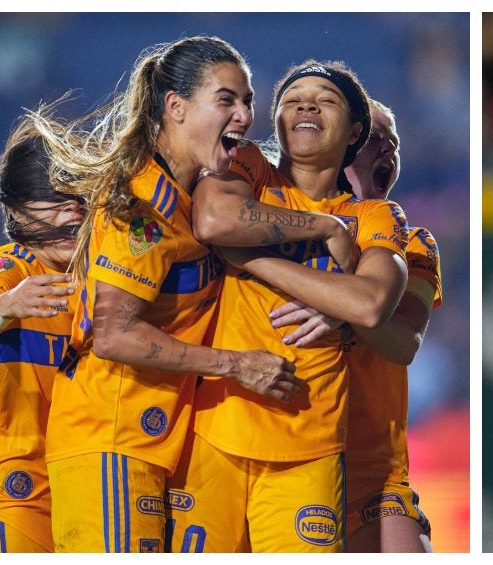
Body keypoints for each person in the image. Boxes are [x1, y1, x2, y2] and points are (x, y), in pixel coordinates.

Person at [29, 36, 306, 552]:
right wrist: (237, 365)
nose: (244, 115)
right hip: (110, 435)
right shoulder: (143, 208)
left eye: (247, 101)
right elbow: (113, 334)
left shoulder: (183, 195)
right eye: (226, 100)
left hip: (153, 440)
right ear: (175, 107)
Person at [166, 61, 409, 552]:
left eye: (326, 99)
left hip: (310, 445)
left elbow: (370, 305)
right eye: (292, 98)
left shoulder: (374, 216)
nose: (306, 105)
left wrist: (250, 257)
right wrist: (324, 234)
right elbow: (214, 219)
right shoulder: (252, 167)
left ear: (355, 130)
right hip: (217, 427)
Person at [273, 99, 441, 552]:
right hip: (282, 452)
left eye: (395, 142)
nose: (387, 147)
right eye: (374, 136)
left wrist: (344, 305)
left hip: (375, 470)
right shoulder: (276, 222)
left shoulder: (414, 243)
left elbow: (404, 342)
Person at [0, 113, 83, 553]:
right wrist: (0, 310)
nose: (71, 212)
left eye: (78, 197)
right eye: (53, 199)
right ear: (14, 210)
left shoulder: (108, 277)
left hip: (81, 490)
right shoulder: (9, 271)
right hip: (7, 493)